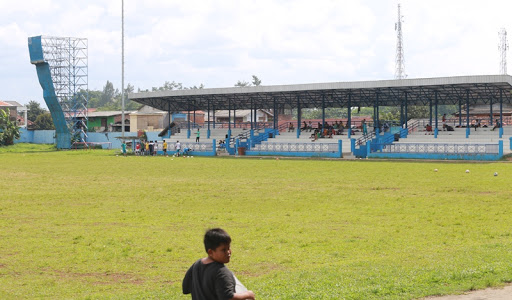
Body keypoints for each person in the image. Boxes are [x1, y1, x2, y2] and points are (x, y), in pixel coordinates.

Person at [183, 228, 255, 300]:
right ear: (210, 252)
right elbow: (227, 297)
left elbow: (186, 287)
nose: (228, 252)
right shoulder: (222, 272)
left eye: (228, 248)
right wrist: (248, 294)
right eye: (223, 250)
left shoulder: (197, 264)